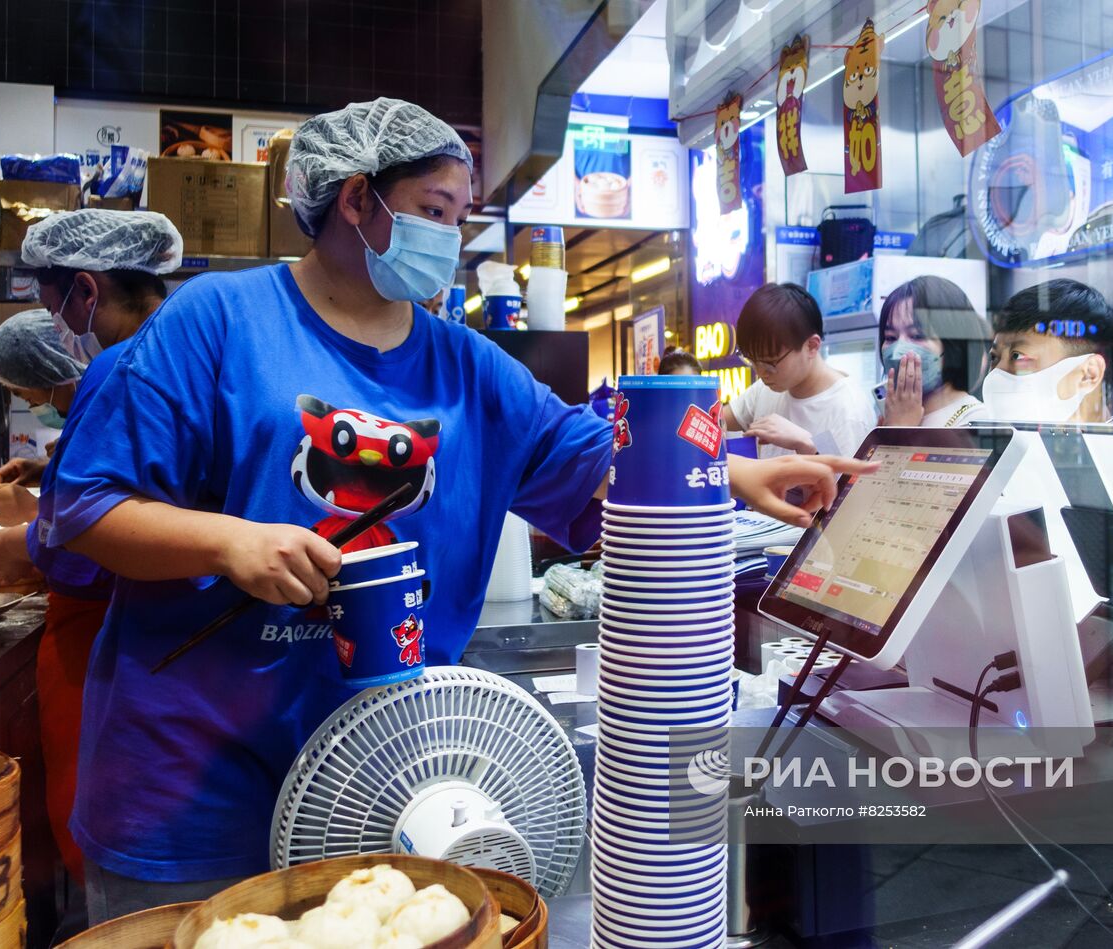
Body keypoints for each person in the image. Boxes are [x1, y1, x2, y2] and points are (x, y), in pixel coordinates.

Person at [44, 98, 871, 920]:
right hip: (195, 783)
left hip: (377, 781)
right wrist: (228, 543)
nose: (450, 236)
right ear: (356, 199)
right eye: (432, 211)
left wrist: (729, 472)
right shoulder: (217, 322)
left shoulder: (468, 367)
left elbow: (594, 466)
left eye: (458, 216)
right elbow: (85, 508)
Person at [0, 209, 181, 889]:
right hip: (162, 643)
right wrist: (55, 478)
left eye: (47, 297)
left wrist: (27, 541)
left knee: (106, 844)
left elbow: (93, 540)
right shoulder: (184, 353)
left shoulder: (122, 367)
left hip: (110, 629)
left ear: (86, 292)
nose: (51, 318)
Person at [722, 282, 877, 458]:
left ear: (811, 346)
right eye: (752, 361)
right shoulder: (767, 388)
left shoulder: (848, 411)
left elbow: (844, 482)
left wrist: (806, 443)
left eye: (770, 363)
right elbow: (719, 421)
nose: (761, 373)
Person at [0, 311, 86, 529]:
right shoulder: (85, 424)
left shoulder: (113, 420)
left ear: (52, 373)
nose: (31, 406)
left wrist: (33, 509)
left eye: (24, 395)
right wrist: (44, 470)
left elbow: (112, 519)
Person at [984, 279, 1113, 423]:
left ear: (1089, 374)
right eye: (994, 357)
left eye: (1017, 356)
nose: (996, 373)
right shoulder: (1022, 444)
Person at [876, 275, 989, 427]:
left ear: (953, 344)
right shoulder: (890, 414)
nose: (897, 353)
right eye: (890, 337)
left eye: (917, 335)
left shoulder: (975, 421)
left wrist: (900, 428)